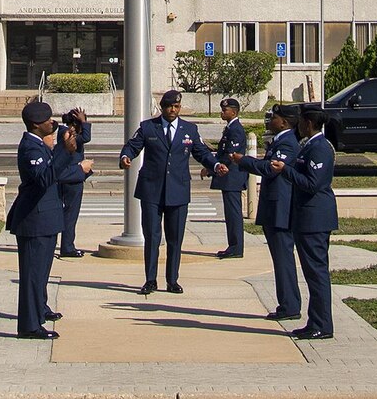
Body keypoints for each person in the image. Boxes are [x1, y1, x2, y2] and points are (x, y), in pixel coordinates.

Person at [118, 88, 225, 294]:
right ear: (162, 107)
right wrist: (125, 157)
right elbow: (132, 146)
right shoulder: (148, 127)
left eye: (176, 106)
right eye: (169, 106)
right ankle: (150, 280)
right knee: (152, 236)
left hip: (178, 190)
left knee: (175, 238)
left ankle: (172, 280)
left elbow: (202, 153)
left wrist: (216, 165)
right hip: (151, 190)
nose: (172, 110)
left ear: (180, 107)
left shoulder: (189, 129)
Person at [5, 100, 91, 338]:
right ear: (35, 125)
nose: (52, 123)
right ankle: (30, 326)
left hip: (46, 219)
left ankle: (39, 311)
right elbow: (44, 179)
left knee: (41, 274)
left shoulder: (40, 145)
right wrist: (66, 152)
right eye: (48, 121)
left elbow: (56, 173)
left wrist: (75, 163)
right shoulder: (30, 148)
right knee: (32, 276)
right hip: (34, 221)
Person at [277, 103, 339, 340]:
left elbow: (313, 183)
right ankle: (315, 321)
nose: (299, 125)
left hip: (315, 219)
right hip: (305, 218)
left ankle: (323, 324)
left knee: (317, 272)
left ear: (309, 123)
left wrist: (286, 170)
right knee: (312, 273)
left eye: (301, 121)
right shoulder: (308, 145)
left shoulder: (320, 148)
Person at [237, 103, 301, 321]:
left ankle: (290, 306)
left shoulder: (288, 143)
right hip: (273, 208)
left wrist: (243, 160)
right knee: (279, 258)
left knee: (283, 258)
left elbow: (269, 169)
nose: (270, 120)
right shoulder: (279, 141)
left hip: (280, 210)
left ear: (283, 121)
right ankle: (287, 303)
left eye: (273, 117)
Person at [210, 97, 250, 258]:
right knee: (230, 213)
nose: (222, 112)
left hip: (232, 177)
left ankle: (236, 247)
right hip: (229, 178)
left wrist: (214, 168)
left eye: (225, 110)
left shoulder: (236, 130)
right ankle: (233, 245)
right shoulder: (230, 128)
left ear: (233, 112)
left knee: (234, 214)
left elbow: (230, 155)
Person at [56, 107, 92, 258]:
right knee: (70, 214)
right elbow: (86, 138)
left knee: (65, 212)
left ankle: (66, 244)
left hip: (66, 175)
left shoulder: (61, 131)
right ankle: (67, 247)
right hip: (72, 176)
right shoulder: (68, 133)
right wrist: (85, 122)